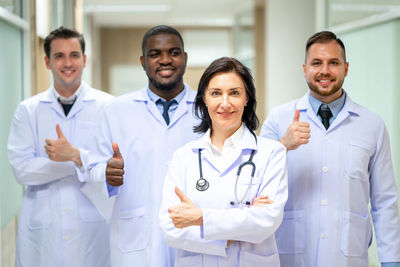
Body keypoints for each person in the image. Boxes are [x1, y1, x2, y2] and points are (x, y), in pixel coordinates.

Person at [260, 31, 400, 267]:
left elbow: (384, 201)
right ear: (304, 69)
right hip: (290, 255)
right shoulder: (278, 119)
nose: (324, 70)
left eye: (333, 63)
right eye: (317, 63)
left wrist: (391, 261)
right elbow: (254, 186)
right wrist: (282, 146)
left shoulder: (372, 125)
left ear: (346, 68)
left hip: (348, 256)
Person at [83, 25, 200, 267]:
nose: (165, 60)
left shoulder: (207, 109)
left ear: (185, 58)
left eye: (174, 52)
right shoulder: (116, 110)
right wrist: (105, 174)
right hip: (136, 239)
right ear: (143, 61)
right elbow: (91, 168)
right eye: (155, 54)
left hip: (193, 235)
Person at [158, 57, 288, 267]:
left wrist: (200, 218)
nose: (225, 103)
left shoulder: (271, 153)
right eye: (216, 93)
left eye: (234, 93)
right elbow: (170, 228)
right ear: (204, 99)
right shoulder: (183, 157)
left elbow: (266, 221)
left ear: (247, 98)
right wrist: (236, 228)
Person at [7, 26, 113, 267]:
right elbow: (22, 170)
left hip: (92, 227)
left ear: (84, 59)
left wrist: (74, 155)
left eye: (74, 55)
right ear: (47, 62)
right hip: (43, 229)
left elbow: (112, 168)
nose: (68, 62)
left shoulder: (108, 106)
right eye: (59, 56)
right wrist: (81, 163)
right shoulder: (29, 110)